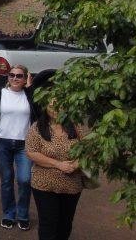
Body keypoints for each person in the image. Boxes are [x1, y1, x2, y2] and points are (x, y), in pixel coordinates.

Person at [0, 64, 38, 231]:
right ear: (8, 77)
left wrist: (31, 89)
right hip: (3, 142)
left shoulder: (29, 95)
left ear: (25, 78)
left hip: (24, 144)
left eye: (19, 76)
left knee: (25, 180)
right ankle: (9, 214)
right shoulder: (0, 93)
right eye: (12, 75)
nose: (15, 78)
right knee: (7, 180)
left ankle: (22, 215)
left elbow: (39, 113)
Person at [26, 99, 86, 240]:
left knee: (65, 223)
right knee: (48, 223)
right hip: (44, 184)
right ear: (45, 107)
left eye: (60, 105)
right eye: (52, 105)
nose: (56, 109)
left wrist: (75, 164)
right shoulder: (37, 128)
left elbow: (88, 151)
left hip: (71, 185)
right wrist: (58, 164)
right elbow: (31, 152)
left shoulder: (75, 126)